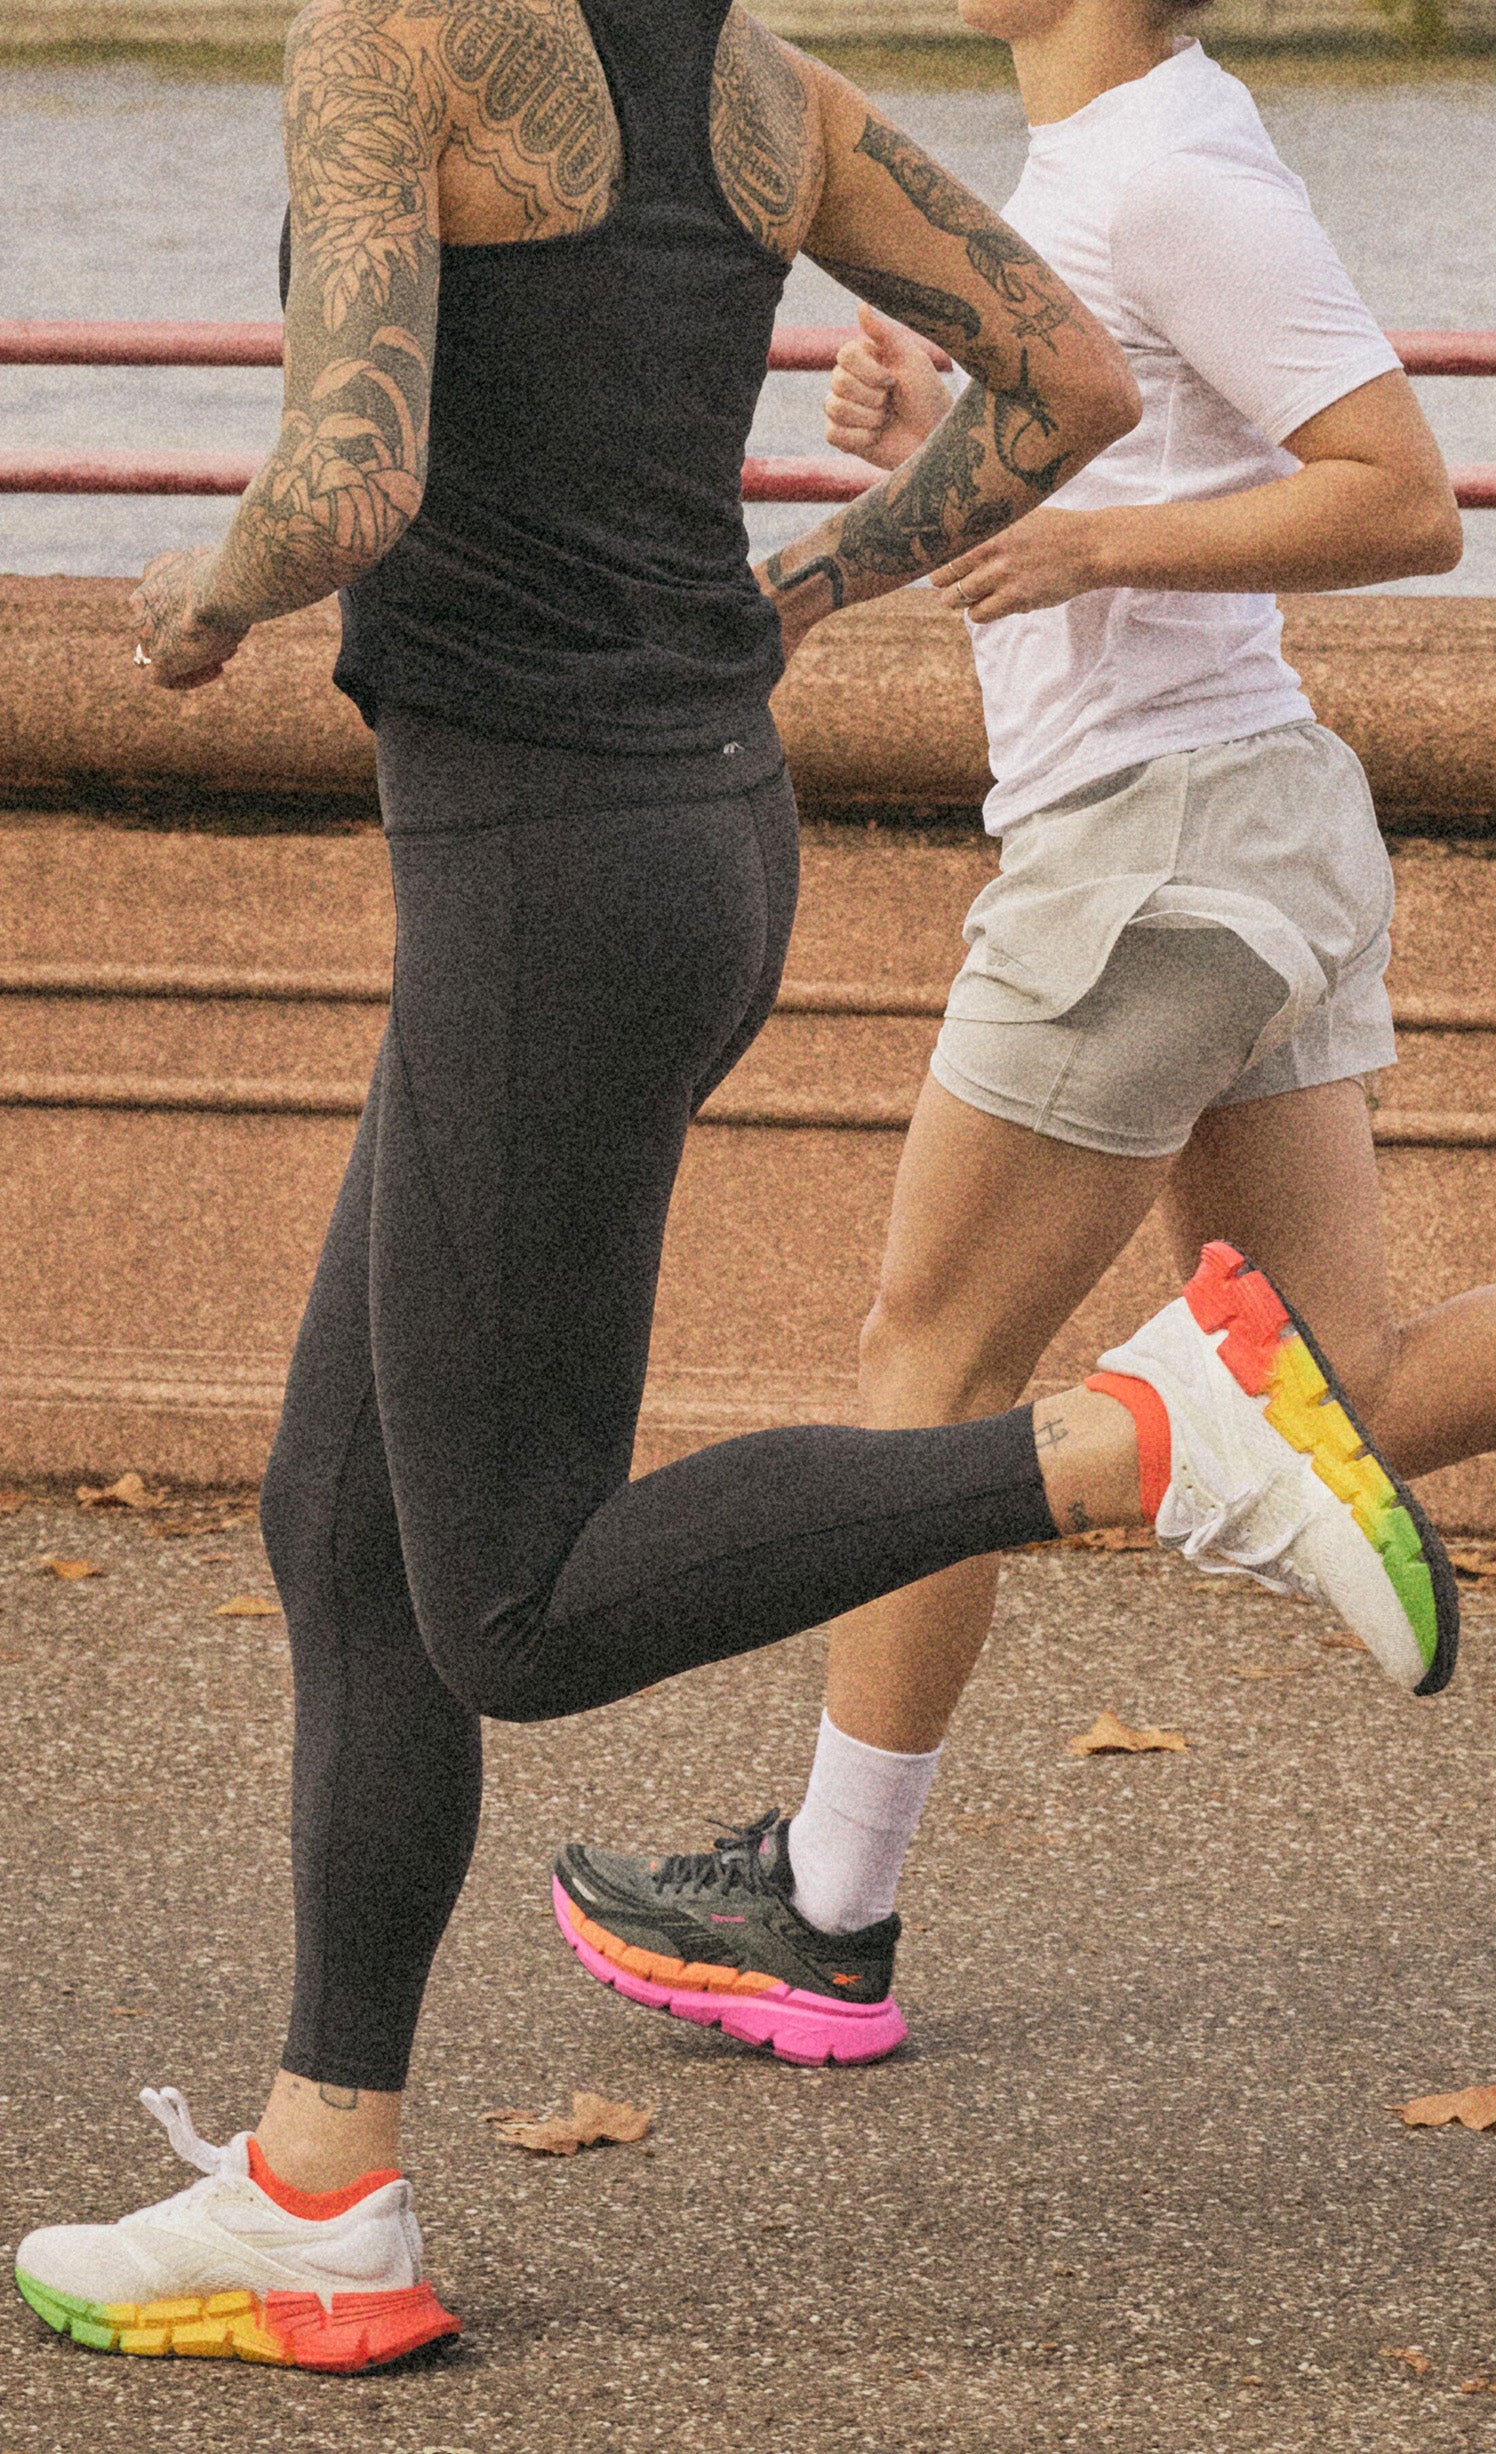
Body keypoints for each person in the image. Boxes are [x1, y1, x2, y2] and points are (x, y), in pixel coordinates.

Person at [13, 0, 1164, 2377]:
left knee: (509, 1612)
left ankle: (1143, 1440)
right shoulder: (760, 89)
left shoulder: (394, 40)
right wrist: (804, 587)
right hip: (696, 836)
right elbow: (1066, 384)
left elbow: (352, 481)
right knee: (342, 1522)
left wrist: (210, 596)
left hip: (546, 876)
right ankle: (322, 2188)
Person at [550, 0, 1496, 2070]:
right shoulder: (1114, 155)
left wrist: (1098, 536)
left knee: (931, 1367)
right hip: (1234, 827)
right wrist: (946, 421)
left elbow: (1401, 497)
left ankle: (824, 1915)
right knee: (1347, 1381)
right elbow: (1151, 449)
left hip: (1155, 846)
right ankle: (824, 1903)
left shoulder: (1168, 168)